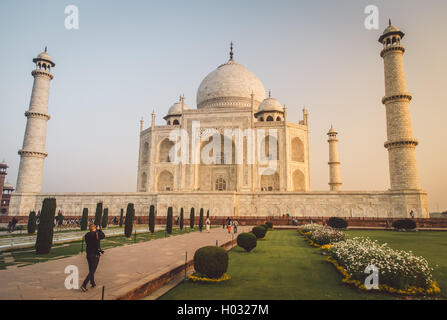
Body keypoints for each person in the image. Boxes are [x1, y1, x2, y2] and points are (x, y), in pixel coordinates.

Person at [80, 224, 105, 292]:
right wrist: (99, 229)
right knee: (92, 271)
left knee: (91, 269)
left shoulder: (86, 235)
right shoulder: (96, 234)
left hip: (88, 254)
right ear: (94, 228)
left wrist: (95, 230)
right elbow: (103, 235)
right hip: (95, 255)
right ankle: (84, 285)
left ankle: (92, 282)